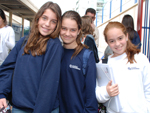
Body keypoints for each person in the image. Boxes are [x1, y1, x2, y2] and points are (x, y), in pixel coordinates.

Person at [0, 1, 63, 113]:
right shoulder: (24, 41)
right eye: (44, 18)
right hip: (18, 108)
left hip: (42, 109)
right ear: (38, 18)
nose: (47, 24)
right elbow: (7, 68)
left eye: (53, 21)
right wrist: (1, 93)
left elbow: (49, 85)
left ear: (57, 25)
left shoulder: (54, 45)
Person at [96, 21, 150, 113]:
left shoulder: (140, 59)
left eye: (120, 38)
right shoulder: (104, 64)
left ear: (127, 36)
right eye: (112, 41)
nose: (117, 44)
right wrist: (106, 92)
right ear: (107, 43)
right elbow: (98, 93)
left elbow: (148, 89)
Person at [59, 10, 98, 113]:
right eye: (64, 28)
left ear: (79, 30)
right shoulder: (55, 53)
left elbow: (91, 97)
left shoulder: (86, 56)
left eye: (72, 30)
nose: (67, 33)